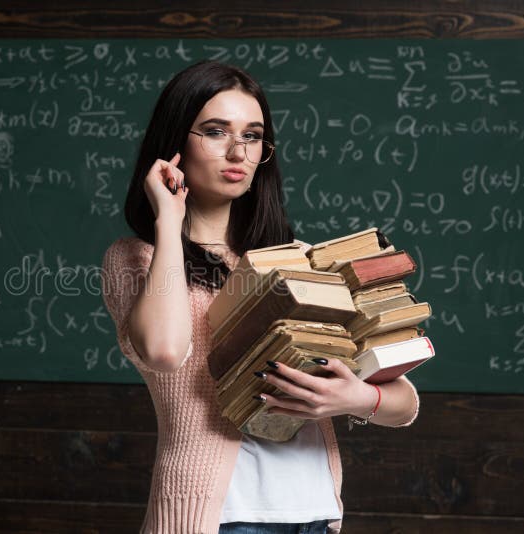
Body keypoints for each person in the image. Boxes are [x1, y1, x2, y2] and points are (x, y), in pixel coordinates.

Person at [101, 60, 419, 534]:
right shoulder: (138, 258)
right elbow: (165, 352)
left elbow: (405, 402)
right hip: (217, 519)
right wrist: (168, 220)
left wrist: (352, 397)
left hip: (314, 516)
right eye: (215, 131)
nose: (237, 152)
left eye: (252, 136)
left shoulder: (302, 263)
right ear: (175, 143)